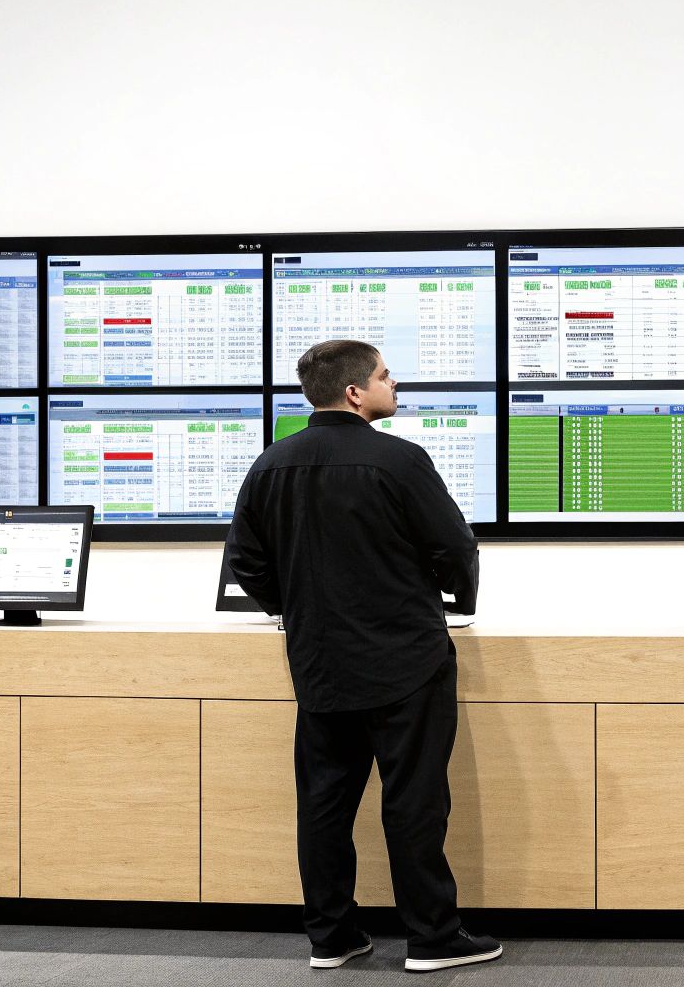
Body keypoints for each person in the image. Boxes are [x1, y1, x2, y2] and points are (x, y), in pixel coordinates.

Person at [224, 339, 500, 973]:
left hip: (321, 664)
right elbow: (457, 546)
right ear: (355, 392)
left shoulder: (271, 465)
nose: (392, 382)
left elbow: (244, 563)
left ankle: (333, 938)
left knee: (324, 803)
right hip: (407, 661)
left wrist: (295, 610)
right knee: (414, 800)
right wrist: (455, 602)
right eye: (383, 375)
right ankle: (431, 938)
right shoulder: (399, 461)